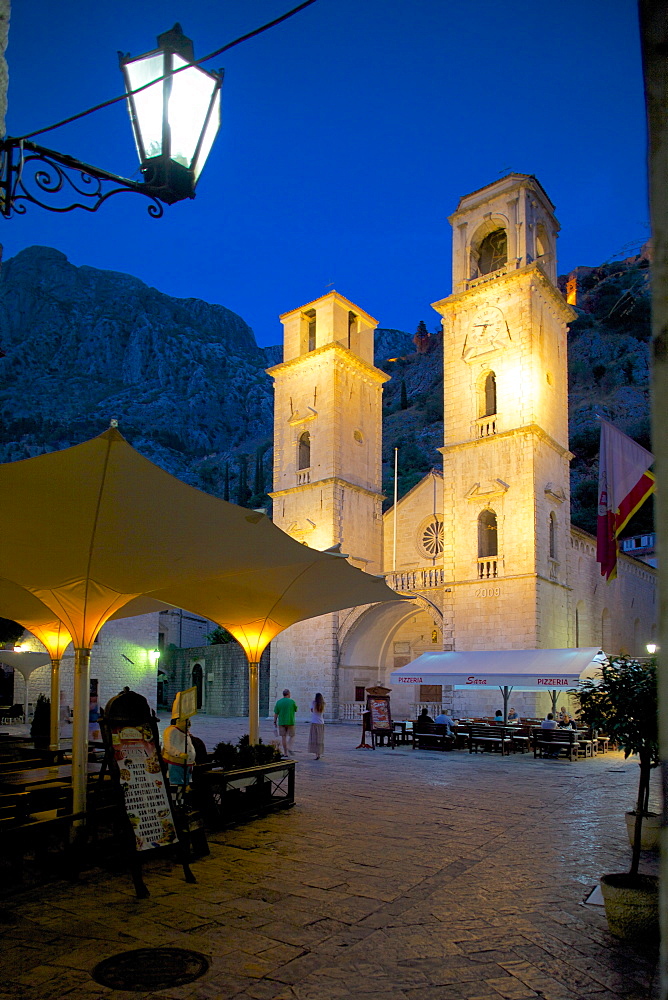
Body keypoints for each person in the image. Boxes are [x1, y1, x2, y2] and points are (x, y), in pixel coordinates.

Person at [162, 716, 196, 786]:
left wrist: (191, 759)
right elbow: (168, 746)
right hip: (176, 762)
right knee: (176, 782)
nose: (189, 722)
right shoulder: (172, 730)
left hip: (187, 762)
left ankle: (183, 794)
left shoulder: (185, 732)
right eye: (186, 720)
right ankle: (177, 795)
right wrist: (179, 754)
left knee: (186, 783)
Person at [273, 688, 298, 757]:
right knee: (292, 736)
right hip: (290, 721)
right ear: (289, 694)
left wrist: (274, 721)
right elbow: (296, 709)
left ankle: (285, 753)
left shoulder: (279, 702)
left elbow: (276, 713)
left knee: (283, 737)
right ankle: (289, 746)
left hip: (282, 722)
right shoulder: (292, 702)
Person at [308, 692, 325, 759]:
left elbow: (311, 710)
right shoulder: (323, 704)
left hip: (314, 722)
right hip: (321, 723)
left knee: (314, 738)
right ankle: (319, 753)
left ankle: (316, 754)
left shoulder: (313, 703)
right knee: (320, 739)